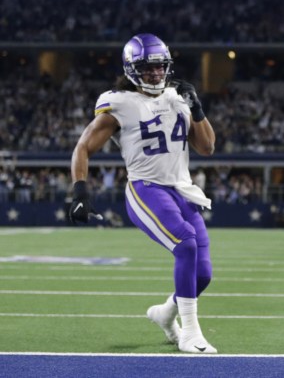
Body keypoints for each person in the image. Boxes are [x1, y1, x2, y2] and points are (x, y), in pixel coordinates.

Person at [67, 33, 217, 353]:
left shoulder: (178, 97)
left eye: (160, 67)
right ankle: (190, 332)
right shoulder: (119, 103)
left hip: (182, 190)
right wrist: (80, 190)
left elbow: (207, 147)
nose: (155, 74)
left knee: (203, 273)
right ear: (132, 69)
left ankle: (166, 314)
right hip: (146, 188)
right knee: (185, 243)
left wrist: (198, 110)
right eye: (148, 68)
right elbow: (84, 146)